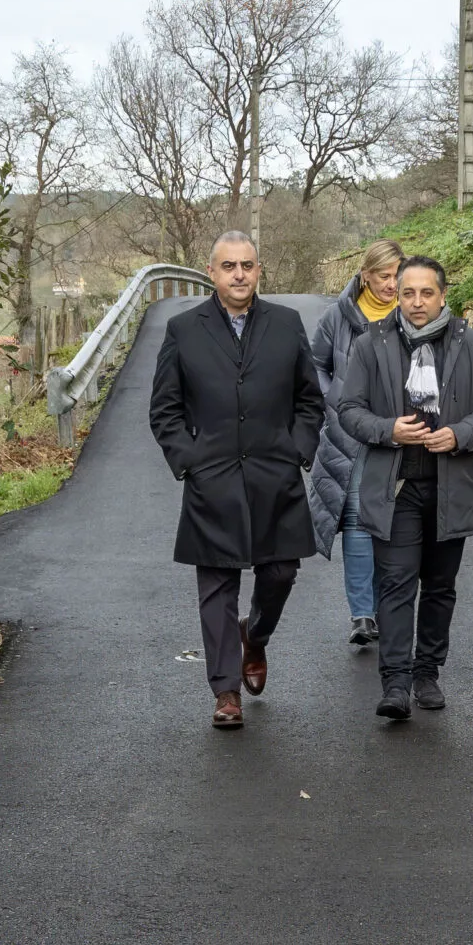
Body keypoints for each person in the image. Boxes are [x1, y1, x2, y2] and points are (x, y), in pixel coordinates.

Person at [148, 231, 326, 729]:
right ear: (212, 272)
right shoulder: (183, 329)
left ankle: (257, 635)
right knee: (216, 585)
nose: (239, 274)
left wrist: (298, 449)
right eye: (229, 266)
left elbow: (310, 399)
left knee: (281, 573)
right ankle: (225, 691)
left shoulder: (286, 323)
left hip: (275, 476)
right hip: (213, 480)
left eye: (247, 265)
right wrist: (190, 460)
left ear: (259, 270)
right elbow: (164, 409)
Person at [335, 255, 473, 721]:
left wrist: (460, 434)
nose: (416, 302)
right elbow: (349, 409)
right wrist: (388, 429)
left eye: (426, 293)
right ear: (397, 294)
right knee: (395, 584)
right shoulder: (371, 343)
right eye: (407, 292)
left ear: (443, 295)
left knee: (439, 586)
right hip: (395, 489)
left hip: (451, 485)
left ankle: (427, 672)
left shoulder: (472, 344)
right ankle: (395, 683)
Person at [309, 238, 402, 647]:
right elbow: (316, 365)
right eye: (384, 276)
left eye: (397, 276)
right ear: (365, 276)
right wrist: (335, 401)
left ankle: (384, 608)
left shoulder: (411, 314)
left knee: (392, 522)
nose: (392, 285)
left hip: (398, 432)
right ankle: (362, 614)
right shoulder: (338, 317)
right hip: (348, 434)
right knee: (356, 519)